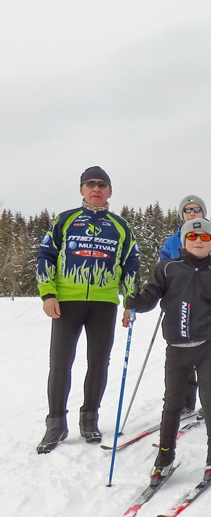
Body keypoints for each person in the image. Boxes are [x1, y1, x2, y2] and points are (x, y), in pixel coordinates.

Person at [123, 218, 211, 483]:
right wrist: (136, 301)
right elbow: (150, 296)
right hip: (176, 347)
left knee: (210, 401)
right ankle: (165, 456)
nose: (199, 242)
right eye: (193, 238)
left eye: (205, 238)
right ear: (183, 242)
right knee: (172, 404)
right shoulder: (168, 269)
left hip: (206, 346)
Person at [36, 166, 140, 454]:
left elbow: (131, 264)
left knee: (98, 362)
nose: (96, 189)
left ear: (109, 191)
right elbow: (46, 254)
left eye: (102, 184)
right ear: (82, 189)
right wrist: (48, 294)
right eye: (90, 184)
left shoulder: (120, 226)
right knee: (60, 363)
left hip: (104, 303)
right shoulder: (65, 220)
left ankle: (89, 418)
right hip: (67, 302)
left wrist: (130, 301)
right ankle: (56, 423)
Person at [160, 194, 211, 413]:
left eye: (196, 209)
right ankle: (184, 402)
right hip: (179, 308)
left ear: (203, 213)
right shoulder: (172, 241)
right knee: (182, 358)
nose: (192, 213)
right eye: (188, 210)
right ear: (181, 215)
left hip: (208, 307)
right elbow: (163, 268)